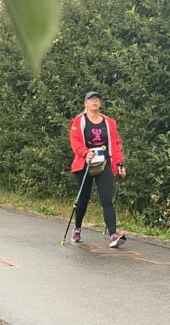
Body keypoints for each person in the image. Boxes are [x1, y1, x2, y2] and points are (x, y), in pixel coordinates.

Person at [69, 91, 127, 248]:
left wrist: (119, 163)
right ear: (85, 103)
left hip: (104, 163)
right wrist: (85, 152)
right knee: (83, 200)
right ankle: (77, 228)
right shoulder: (79, 121)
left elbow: (115, 145)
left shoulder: (109, 123)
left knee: (107, 199)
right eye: (91, 99)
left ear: (100, 104)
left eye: (97, 100)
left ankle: (113, 235)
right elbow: (74, 142)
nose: (95, 102)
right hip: (85, 163)